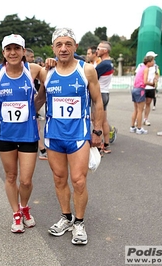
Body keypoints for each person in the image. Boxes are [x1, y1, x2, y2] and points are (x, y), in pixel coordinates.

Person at [34, 28, 104, 245]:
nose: (63, 48)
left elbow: (98, 101)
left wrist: (98, 131)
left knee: (79, 181)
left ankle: (79, 223)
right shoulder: (48, 72)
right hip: (54, 135)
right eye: (59, 44)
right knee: (59, 179)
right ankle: (66, 217)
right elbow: (39, 100)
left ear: (75, 46)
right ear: (53, 47)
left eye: (68, 44)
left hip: (78, 134)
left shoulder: (87, 70)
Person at [0, 34, 43, 233]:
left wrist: (39, 101)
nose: (13, 53)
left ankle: (25, 206)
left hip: (28, 134)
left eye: (17, 49)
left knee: (26, 180)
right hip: (5, 135)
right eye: (8, 49)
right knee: (11, 176)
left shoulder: (33, 70)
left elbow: (54, 77)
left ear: (23, 51)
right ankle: (16, 213)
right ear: (3, 52)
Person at [25, 48, 47, 160]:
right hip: (22, 109)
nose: (33, 59)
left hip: (34, 103)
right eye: (31, 57)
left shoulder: (35, 69)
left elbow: (47, 77)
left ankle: (42, 149)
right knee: (35, 128)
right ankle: (42, 150)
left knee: (36, 127)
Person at [95, 41, 114, 154]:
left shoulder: (103, 64)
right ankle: (106, 144)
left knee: (97, 120)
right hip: (105, 93)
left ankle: (99, 145)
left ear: (105, 51)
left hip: (100, 94)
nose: (96, 50)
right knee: (104, 120)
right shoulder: (109, 63)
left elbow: (92, 78)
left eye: (98, 48)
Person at [130, 55, 157, 134]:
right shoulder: (146, 69)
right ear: (148, 62)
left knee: (135, 109)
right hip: (140, 89)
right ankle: (139, 128)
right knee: (140, 110)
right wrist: (152, 84)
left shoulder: (141, 67)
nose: (153, 62)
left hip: (135, 88)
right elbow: (145, 81)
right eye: (152, 61)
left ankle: (132, 127)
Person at [142, 51, 159, 126]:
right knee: (141, 104)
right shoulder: (141, 66)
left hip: (151, 88)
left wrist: (156, 79)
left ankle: (146, 119)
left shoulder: (155, 66)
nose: (154, 60)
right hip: (143, 87)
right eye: (153, 58)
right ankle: (137, 118)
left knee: (148, 103)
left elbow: (157, 74)